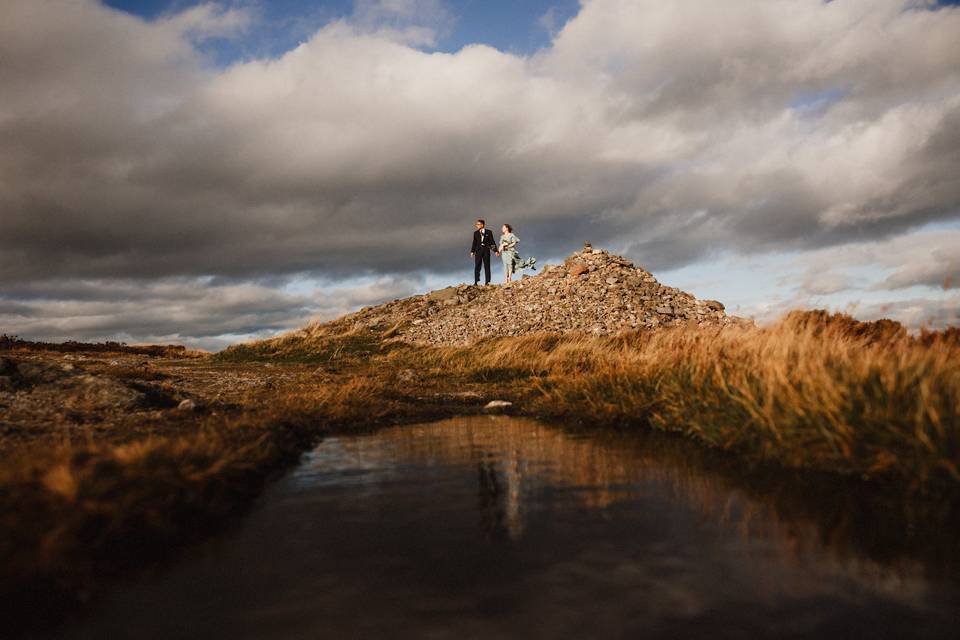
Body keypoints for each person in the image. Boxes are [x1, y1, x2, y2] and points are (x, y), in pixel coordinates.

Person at [470, 218, 497, 285]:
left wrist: (495, 250)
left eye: (478, 224)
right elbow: (474, 243)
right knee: (477, 265)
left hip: (486, 250)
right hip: (478, 251)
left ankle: (487, 281)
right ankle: (476, 281)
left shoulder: (489, 232)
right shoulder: (475, 233)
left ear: (482, 225)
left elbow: (492, 242)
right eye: (476, 224)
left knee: (487, 265)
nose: (477, 225)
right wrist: (472, 251)